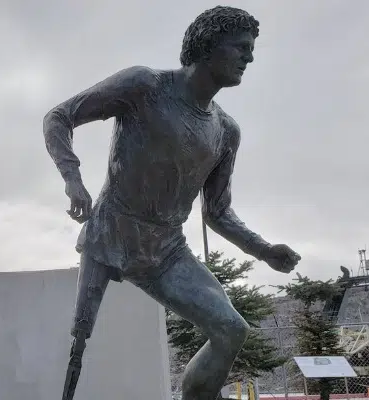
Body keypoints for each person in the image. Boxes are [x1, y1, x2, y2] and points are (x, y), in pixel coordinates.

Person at [43, 6, 302, 399]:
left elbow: (216, 213)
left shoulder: (226, 131)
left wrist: (264, 251)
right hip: (112, 234)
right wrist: (72, 179)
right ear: (208, 46)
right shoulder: (144, 85)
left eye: (252, 49)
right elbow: (59, 117)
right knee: (77, 347)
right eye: (241, 47)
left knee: (232, 330)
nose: (249, 57)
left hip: (167, 251)